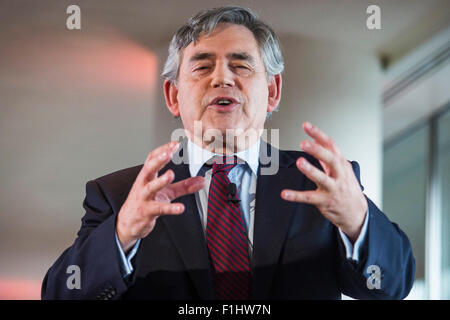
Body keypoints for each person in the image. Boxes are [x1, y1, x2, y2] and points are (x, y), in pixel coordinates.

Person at [41, 6, 415, 300]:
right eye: (202, 66)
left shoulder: (323, 181)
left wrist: (357, 223)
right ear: (173, 96)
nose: (222, 78)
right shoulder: (120, 195)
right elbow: (62, 294)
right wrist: (122, 233)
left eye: (241, 65)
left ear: (272, 92)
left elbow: (393, 285)